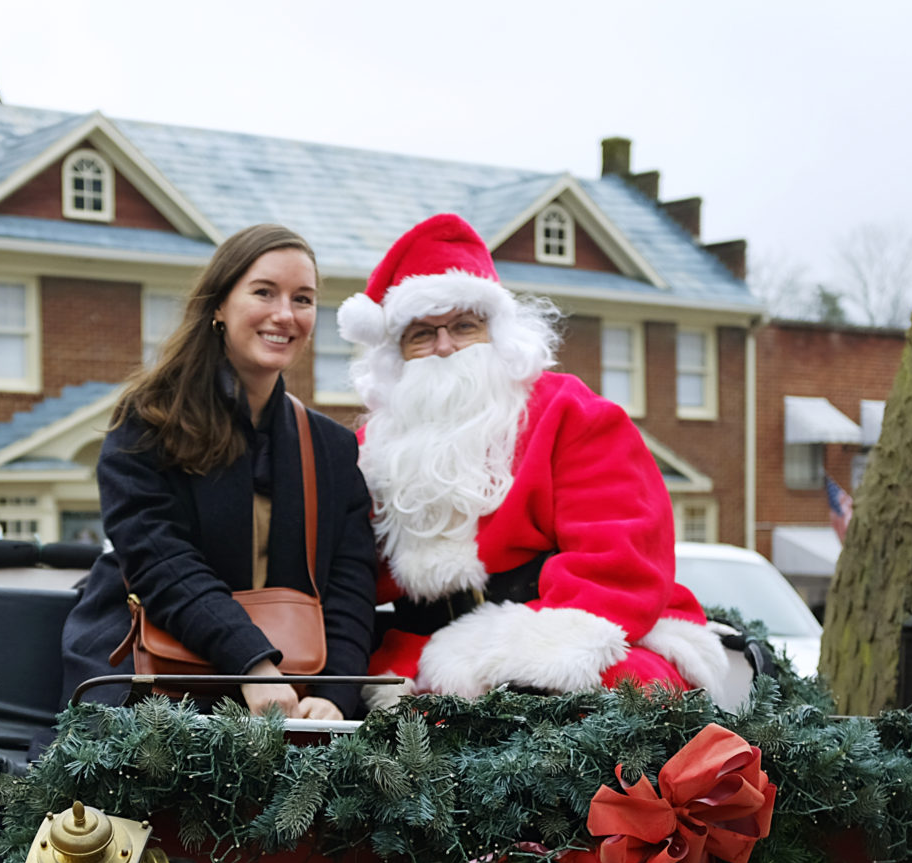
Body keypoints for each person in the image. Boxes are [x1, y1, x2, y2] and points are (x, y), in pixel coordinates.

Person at [336, 214, 740, 705]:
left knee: (601, 696)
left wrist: (504, 652)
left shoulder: (570, 413)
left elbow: (617, 559)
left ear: (499, 333)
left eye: (465, 325)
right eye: (421, 334)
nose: (445, 347)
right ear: (395, 356)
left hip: (576, 625)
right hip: (416, 648)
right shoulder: (373, 451)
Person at [61, 224, 376, 720]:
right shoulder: (149, 421)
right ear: (218, 306)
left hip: (288, 693)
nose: (284, 314)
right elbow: (161, 562)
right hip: (148, 679)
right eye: (264, 292)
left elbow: (349, 585)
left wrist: (336, 693)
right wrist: (251, 666)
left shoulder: (331, 449)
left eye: (303, 299)